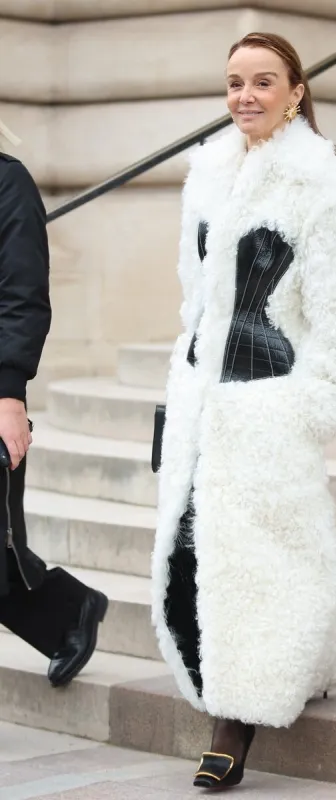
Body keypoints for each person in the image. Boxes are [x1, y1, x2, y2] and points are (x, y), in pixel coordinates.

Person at [151, 32, 336, 790]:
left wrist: (308, 409)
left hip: (268, 407)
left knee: (258, 563)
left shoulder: (328, 190)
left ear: (296, 90)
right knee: (196, 557)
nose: (244, 96)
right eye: (232, 83)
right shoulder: (208, 175)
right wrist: (182, 385)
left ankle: (235, 721)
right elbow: (197, 302)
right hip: (202, 403)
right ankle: (304, 664)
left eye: (261, 82)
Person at [0, 116, 108, 688]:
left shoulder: (7, 183)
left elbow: (22, 297)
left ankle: (69, 610)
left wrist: (8, 393)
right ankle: (69, 610)